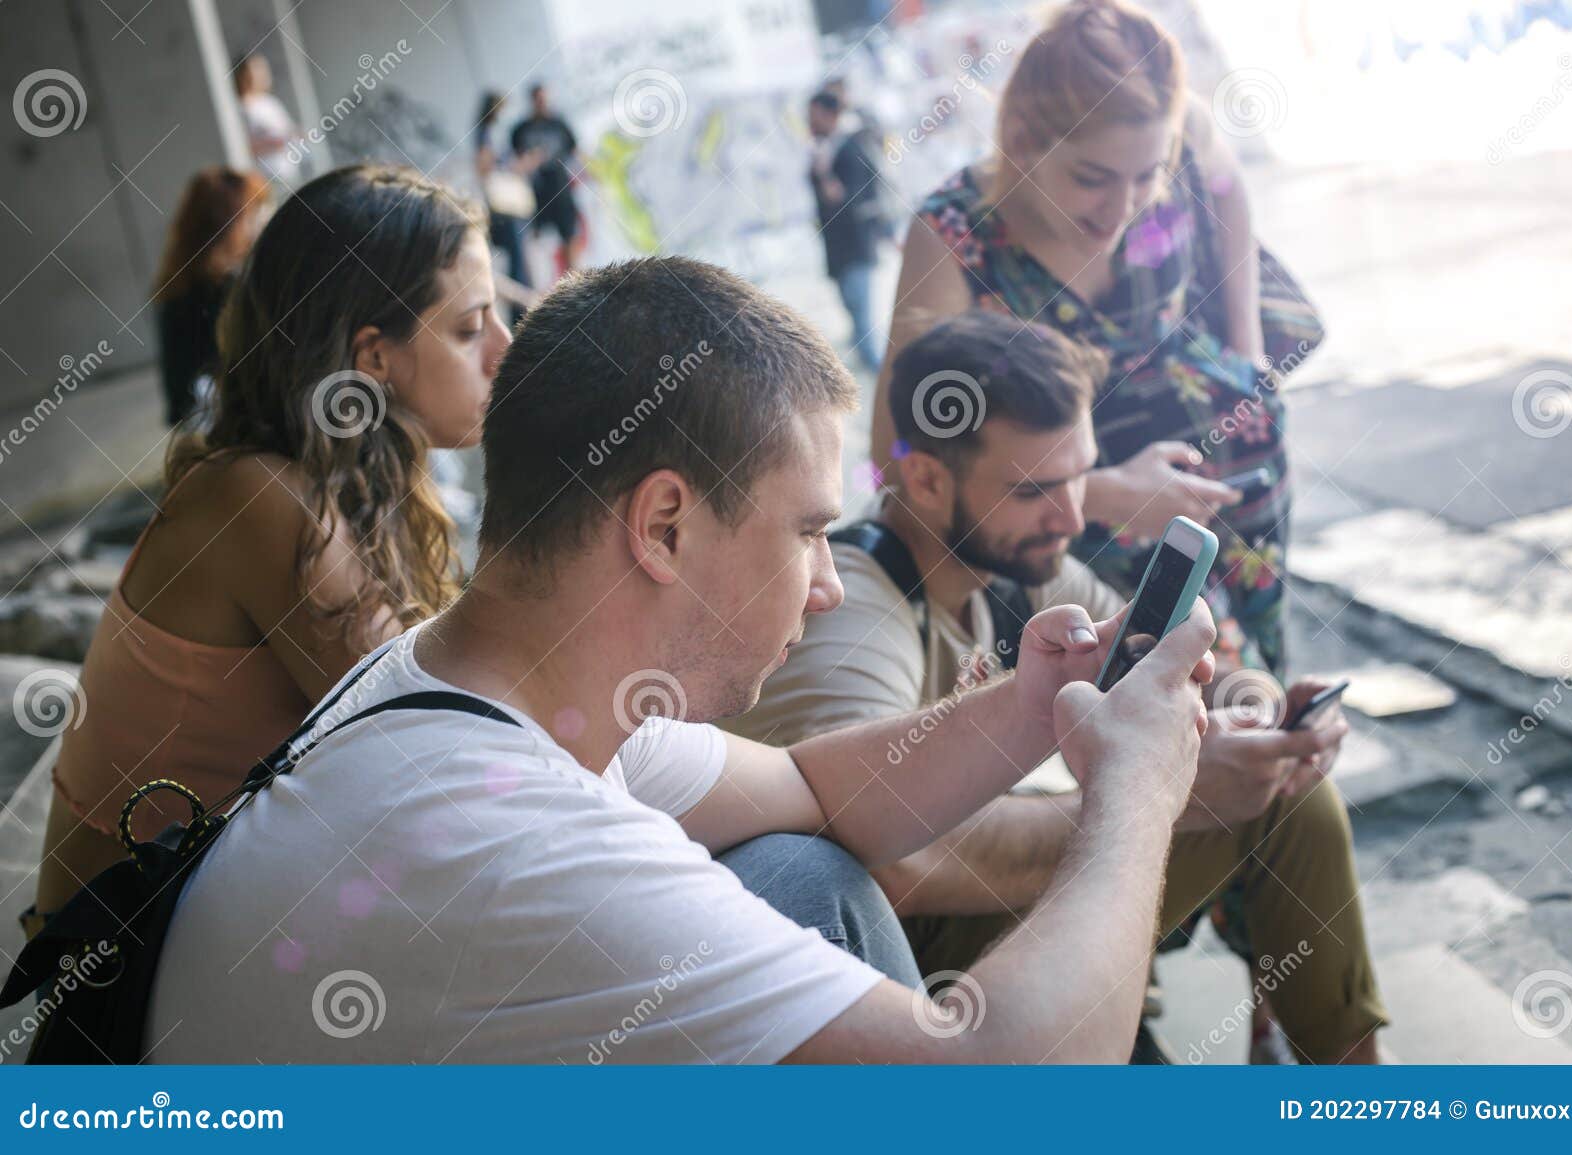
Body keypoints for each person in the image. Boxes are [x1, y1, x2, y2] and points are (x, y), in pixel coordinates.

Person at [141, 255, 1217, 1065]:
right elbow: (989, 1086)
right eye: (805, 533)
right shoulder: (513, 840)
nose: (831, 580)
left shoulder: (475, 687)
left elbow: (812, 790)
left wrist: (1034, 708)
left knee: (802, 868)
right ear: (661, 527)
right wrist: (1136, 790)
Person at [726, 311, 1388, 1064]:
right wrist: (1158, 796)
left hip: (979, 923)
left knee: (1276, 772)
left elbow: (1186, 659)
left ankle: (1346, 1069)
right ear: (925, 477)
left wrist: (1262, 711)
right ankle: (1358, 1085)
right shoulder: (857, 608)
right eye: (1035, 488)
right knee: (1280, 800)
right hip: (900, 991)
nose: (1072, 517)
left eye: (1080, 476)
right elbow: (884, 863)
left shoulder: (1013, 566)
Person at [22, 165, 510, 944]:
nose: (503, 350)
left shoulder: (351, 474)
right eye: (469, 327)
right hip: (122, 976)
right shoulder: (258, 499)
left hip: (220, 911)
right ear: (373, 356)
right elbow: (437, 732)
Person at [874, 0, 1301, 676]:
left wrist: (1246, 354)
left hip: (1236, 489)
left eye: (1147, 177)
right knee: (1165, 707)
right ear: (1019, 141)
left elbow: (1225, 185)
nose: (1123, 206)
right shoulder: (954, 237)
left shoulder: (1178, 126)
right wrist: (1096, 493)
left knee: (1262, 683)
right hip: (1083, 545)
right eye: (1090, 178)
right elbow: (898, 465)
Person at [150, 166, 269, 427]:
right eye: (254, 213)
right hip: (219, 423)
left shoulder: (180, 283)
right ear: (230, 224)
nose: (262, 221)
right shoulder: (220, 290)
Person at [807, 89, 886, 373]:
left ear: (830, 114)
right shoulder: (827, 147)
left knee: (862, 315)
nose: (810, 123)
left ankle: (877, 372)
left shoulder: (851, 147)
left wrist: (826, 175)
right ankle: (868, 369)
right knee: (853, 310)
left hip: (855, 245)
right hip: (838, 246)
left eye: (814, 116)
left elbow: (849, 198)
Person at [473, 90, 534, 320]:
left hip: (507, 207)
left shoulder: (492, 133)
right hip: (503, 207)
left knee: (520, 258)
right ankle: (523, 315)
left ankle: (525, 310)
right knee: (517, 259)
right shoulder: (485, 133)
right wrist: (512, 165)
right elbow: (484, 166)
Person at [510, 83, 583, 277]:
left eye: (545, 99)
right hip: (536, 193)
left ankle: (575, 282)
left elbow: (575, 153)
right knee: (535, 246)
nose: (542, 104)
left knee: (569, 238)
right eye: (538, 100)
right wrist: (529, 162)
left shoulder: (559, 124)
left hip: (561, 189)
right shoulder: (521, 129)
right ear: (532, 101)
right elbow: (515, 163)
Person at [234, 53, 303, 188]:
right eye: (256, 70)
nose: (261, 75)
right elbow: (242, 147)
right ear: (243, 74)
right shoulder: (241, 108)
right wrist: (273, 143)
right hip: (262, 180)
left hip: (287, 176)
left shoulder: (270, 103)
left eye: (263, 70)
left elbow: (289, 132)